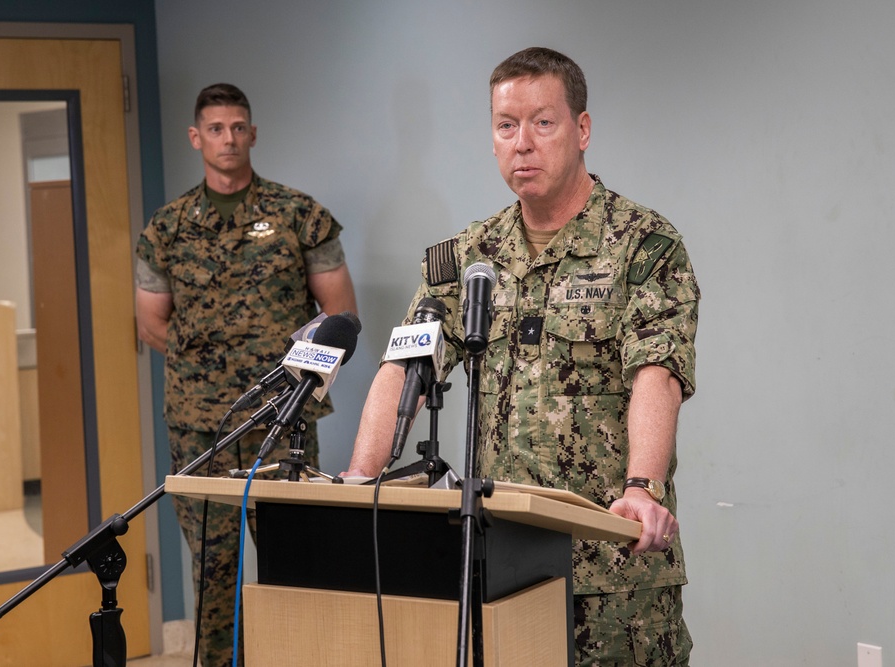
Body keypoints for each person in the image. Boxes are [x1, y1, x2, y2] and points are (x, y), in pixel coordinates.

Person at [346, 47, 699, 665]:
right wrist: (359, 479)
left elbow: (657, 373)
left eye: (543, 122)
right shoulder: (469, 255)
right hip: (499, 562)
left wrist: (642, 487)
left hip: (611, 572)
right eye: (506, 126)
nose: (522, 144)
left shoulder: (644, 244)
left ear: (581, 129)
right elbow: (405, 365)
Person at [135, 82, 357, 666]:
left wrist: (288, 382)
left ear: (252, 133)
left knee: (295, 559)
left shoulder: (301, 217)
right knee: (212, 566)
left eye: (238, 127)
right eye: (215, 128)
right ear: (196, 137)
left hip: (284, 424)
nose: (228, 138)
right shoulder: (167, 227)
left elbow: (340, 319)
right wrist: (209, 375)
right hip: (199, 428)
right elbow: (151, 324)